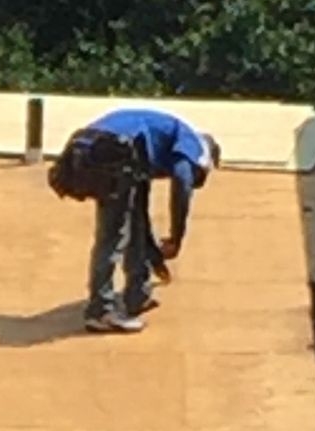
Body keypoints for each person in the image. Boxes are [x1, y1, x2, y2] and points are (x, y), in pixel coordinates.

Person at [66, 106, 220, 334]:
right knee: (113, 233)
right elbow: (182, 182)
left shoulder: (156, 146)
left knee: (132, 218)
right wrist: (177, 237)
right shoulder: (192, 144)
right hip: (111, 150)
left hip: (84, 146)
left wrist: (155, 258)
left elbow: (140, 219)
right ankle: (100, 311)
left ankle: (137, 294)